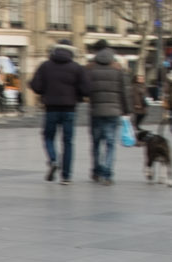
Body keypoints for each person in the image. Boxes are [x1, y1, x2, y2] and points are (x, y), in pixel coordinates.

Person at [29, 43, 90, 185]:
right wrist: (77, 95)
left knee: (48, 137)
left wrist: (45, 91)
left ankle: (53, 159)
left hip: (51, 108)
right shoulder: (76, 67)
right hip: (69, 109)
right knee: (68, 142)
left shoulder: (45, 66)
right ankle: (66, 177)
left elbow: (35, 86)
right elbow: (87, 90)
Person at [85, 48, 131, 186]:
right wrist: (127, 110)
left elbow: (86, 91)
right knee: (110, 144)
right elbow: (125, 92)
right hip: (113, 112)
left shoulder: (91, 71)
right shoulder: (118, 71)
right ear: (112, 58)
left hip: (96, 112)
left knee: (96, 144)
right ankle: (107, 174)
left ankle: (97, 171)